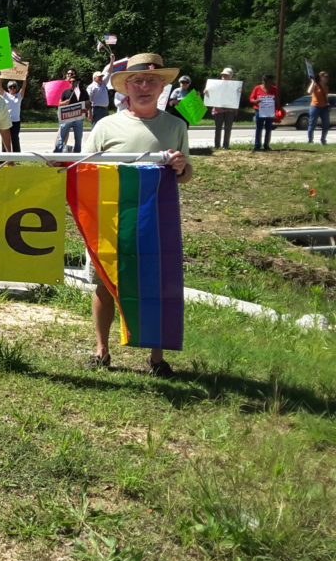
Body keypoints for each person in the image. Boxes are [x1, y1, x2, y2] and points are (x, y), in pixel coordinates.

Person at [84, 53, 193, 379]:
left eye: (151, 81)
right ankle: (101, 350)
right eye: (137, 81)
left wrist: (180, 167)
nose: (144, 86)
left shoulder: (175, 126)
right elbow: (84, 167)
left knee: (156, 287)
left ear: (162, 86)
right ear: (125, 88)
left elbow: (187, 173)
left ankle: (156, 358)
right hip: (112, 220)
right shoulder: (106, 125)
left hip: (155, 223)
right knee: (105, 284)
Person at [55, 69, 90, 153]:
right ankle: (57, 153)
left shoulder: (83, 92)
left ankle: (77, 156)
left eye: (73, 81)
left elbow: (88, 103)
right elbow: (59, 103)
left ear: (78, 82)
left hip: (78, 118)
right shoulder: (66, 92)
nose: (71, 83)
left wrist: (86, 109)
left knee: (78, 139)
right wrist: (64, 102)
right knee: (61, 138)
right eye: (70, 82)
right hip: (67, 118)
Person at [208, 67, 238, 149]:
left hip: (230, 110)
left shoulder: (235, 86)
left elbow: (235, 98)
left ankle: (226, 145)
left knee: (228, 129)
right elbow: (209, 92)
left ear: (231, 76)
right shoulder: (216, 84)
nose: (224, 76)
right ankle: (217, 145)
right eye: (223, 75)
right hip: (218, 110)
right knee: (218, 128)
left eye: (226, 75)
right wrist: (206, 91)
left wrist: (235, 109)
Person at [249, 73, 280, 152]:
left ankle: (266, 145)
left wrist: (276, 105)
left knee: (268, 128)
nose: (267, 83)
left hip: (269, 111)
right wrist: (256, 101)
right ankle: (257, 145)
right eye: (266, 81)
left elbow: (277, 100)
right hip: (259, 110)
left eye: (269, 81)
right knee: (259, 128)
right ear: (263, 81)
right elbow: (251, 99)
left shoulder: (274, 89)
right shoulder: (257, 88)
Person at [0, 76, 27, 152]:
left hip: (16, 121)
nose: (13, 88)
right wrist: (1, 76)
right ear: (8, 88)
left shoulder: (19, 96)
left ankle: (16, 155)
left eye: (14, 87)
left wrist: (24, 77)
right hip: (6, 120)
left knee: (15, 138)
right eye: (11, 87)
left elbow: (24, 86)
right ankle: (5, 157)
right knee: (5, 139)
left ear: (16, 88)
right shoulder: (5, 95)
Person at [307, 69, 330, 145]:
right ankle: (310, 141)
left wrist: (327, 103)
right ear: (320, 77)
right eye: (325, 77)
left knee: (326, 124)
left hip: (324, 107)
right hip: (315, 107)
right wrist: (313, 82)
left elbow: (326, 96)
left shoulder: (326, 87)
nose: (326, 78)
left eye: (327, 77)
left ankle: (323, 140)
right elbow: (309, 91)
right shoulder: (315, 84)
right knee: (312, 124)